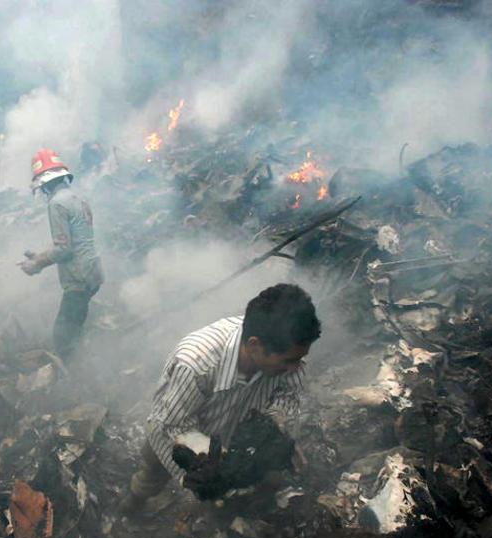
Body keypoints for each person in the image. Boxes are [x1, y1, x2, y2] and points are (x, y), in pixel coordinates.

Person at [120, 283, 321, 513]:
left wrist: (274, 428)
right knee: (152, 477)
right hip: (175, 433)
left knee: (252, 483)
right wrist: (201, 466)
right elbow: (172, 426)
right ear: (254, 345)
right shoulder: (196, 364)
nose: (296, 368)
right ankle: (132, 505)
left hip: (235, 434)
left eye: (299, 359)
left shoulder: (287, 353)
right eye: (289, 361)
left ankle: (230, 512)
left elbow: (288, 395)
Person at [19, 149, 104, 360]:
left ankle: (75, 373)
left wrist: (37, 263)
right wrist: (39, 256)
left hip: (78, 277)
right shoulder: (77, 197)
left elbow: (64, 249)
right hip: (93, 271)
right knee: (76, 324)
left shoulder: (56, 203)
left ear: (44, 184)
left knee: (63, 337)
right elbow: (73, 240)